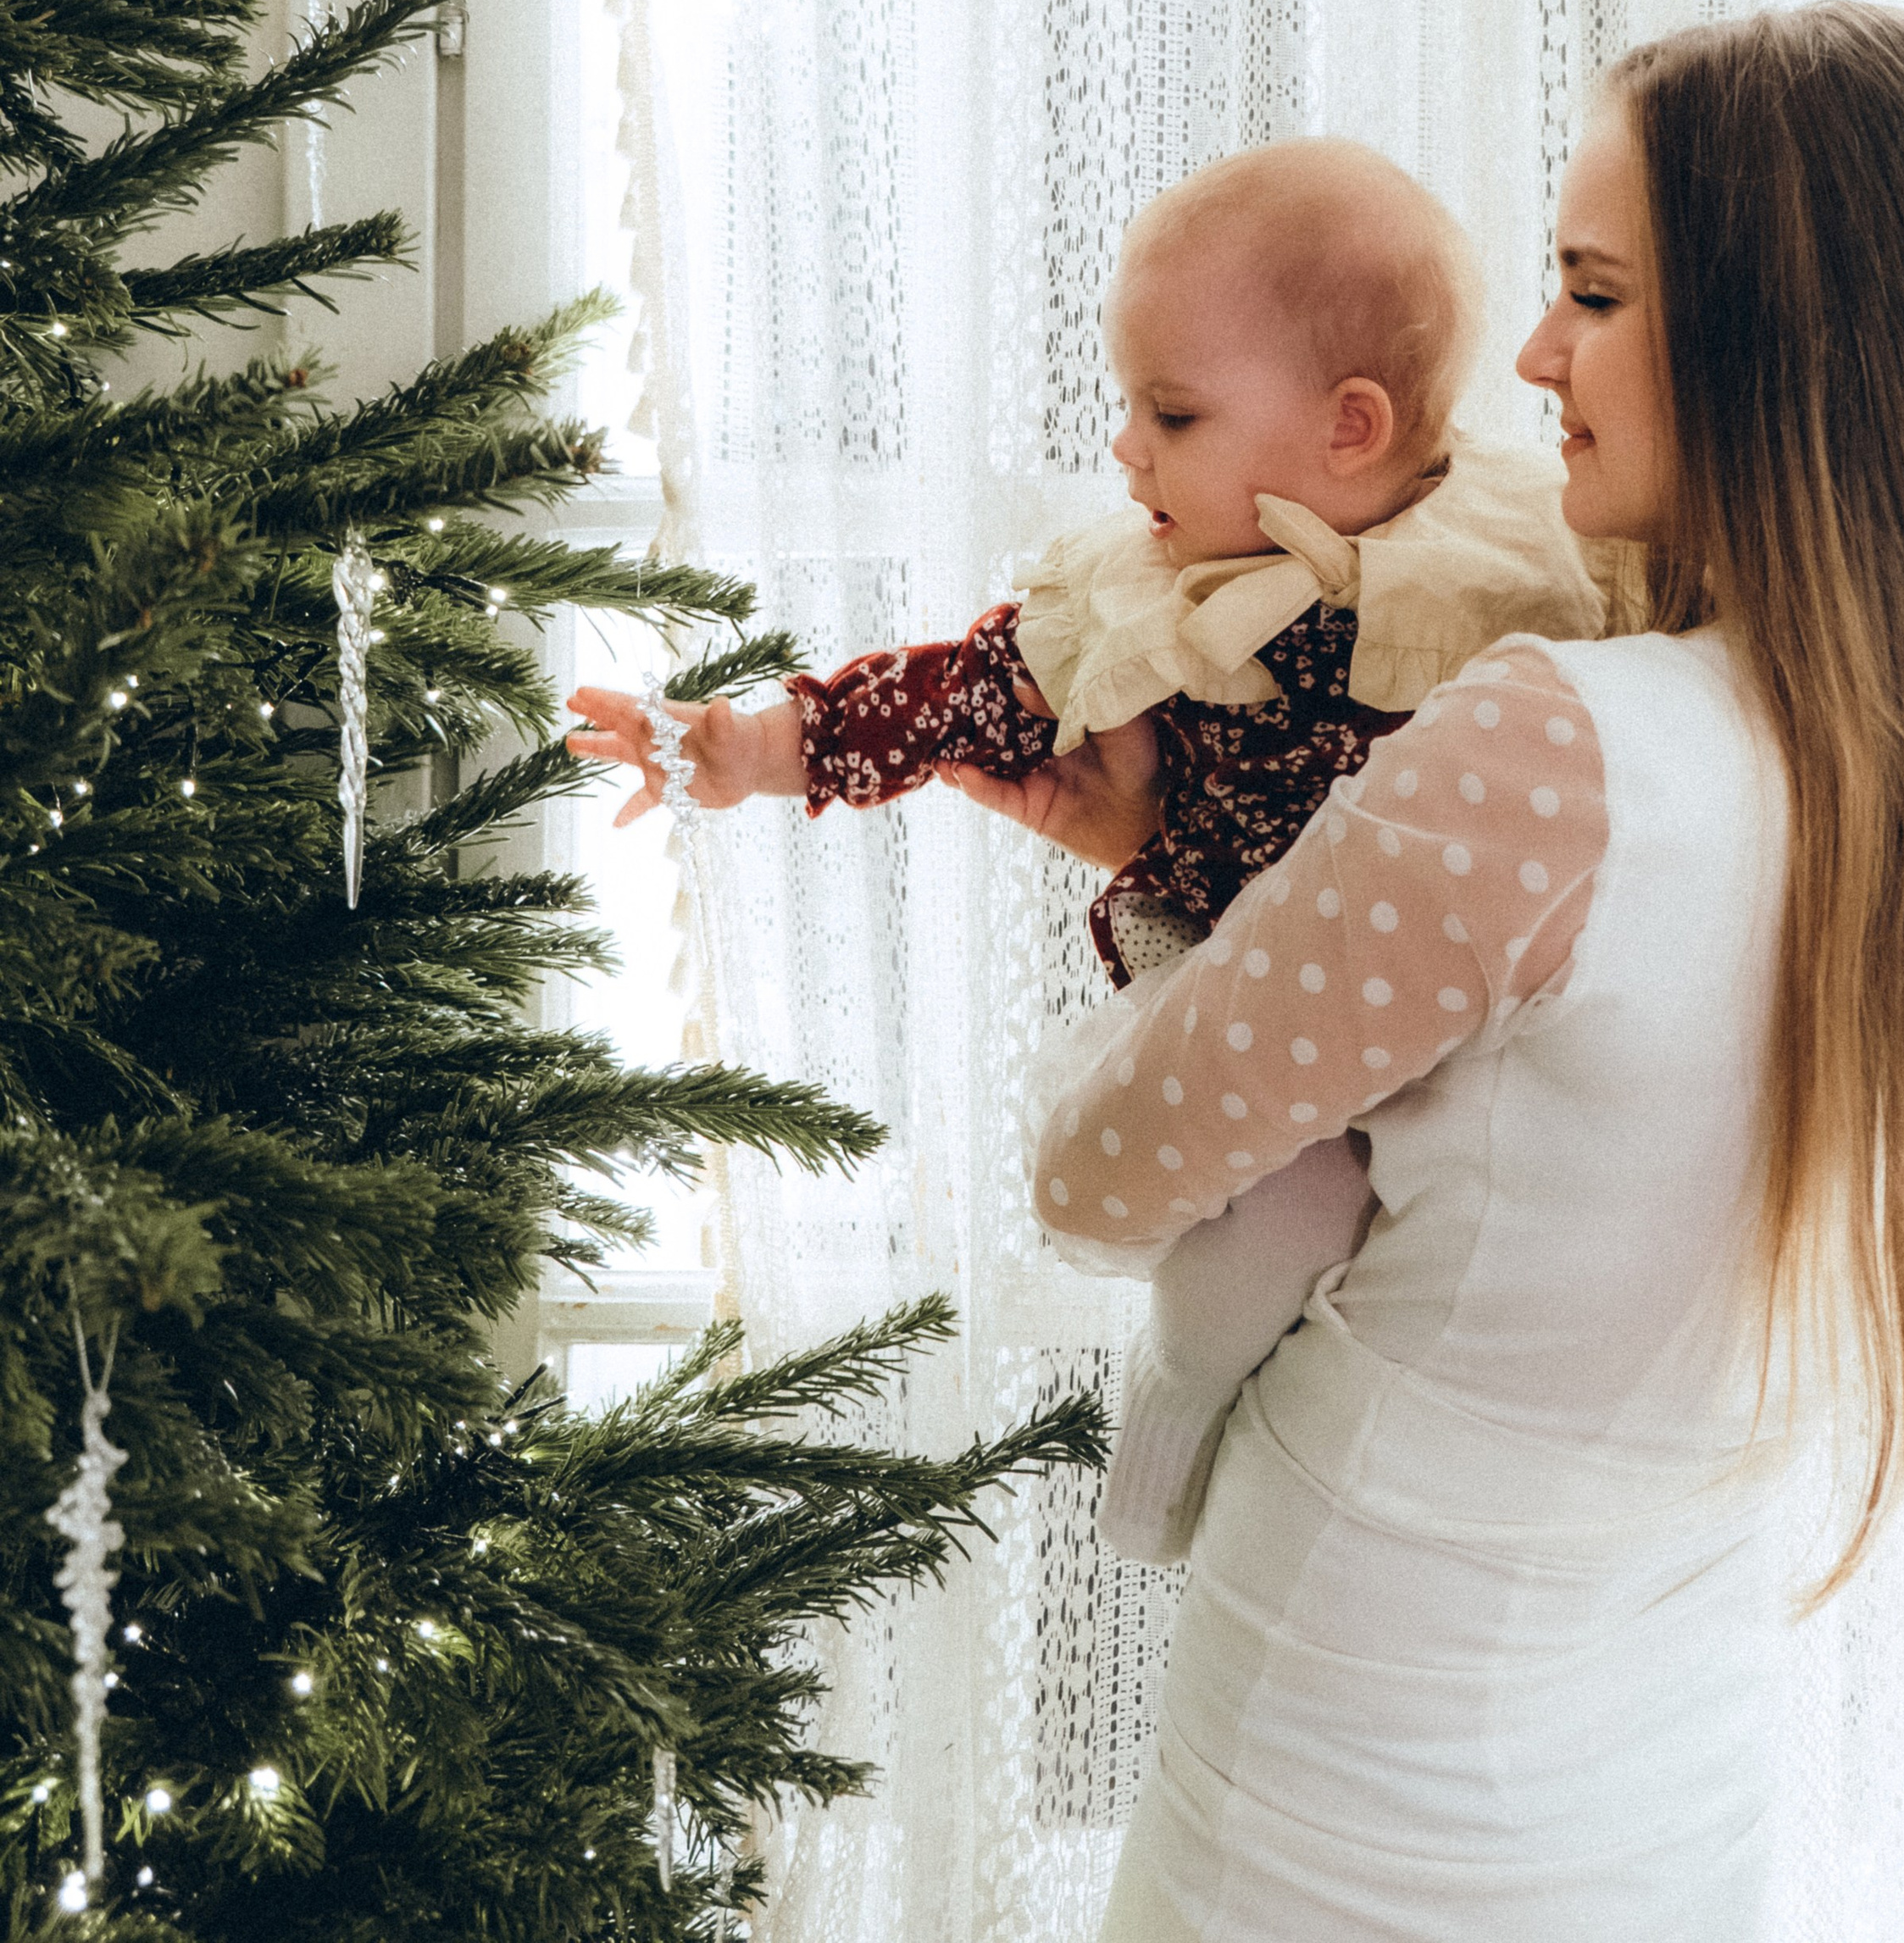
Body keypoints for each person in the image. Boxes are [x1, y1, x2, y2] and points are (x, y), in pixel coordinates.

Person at [1009, 3, 1904, 1942]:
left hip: (1339, 1762)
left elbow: (1100, 1176)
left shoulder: (1548, 753)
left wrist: (1158, 893)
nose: (1531, 355)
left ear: (1773, 338)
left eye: (1594, 293)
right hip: (1673, 1782)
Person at [566, 137, 1604, 1557]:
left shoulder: (1522, 566)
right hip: (1244, 982)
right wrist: (764, 747)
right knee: (1276, 1232)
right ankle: (1171, 1424)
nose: (1129, 450)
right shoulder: (1159, 581)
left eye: (1170, 415)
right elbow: (962, 693)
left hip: (1460, 1028)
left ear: (1350, 428)